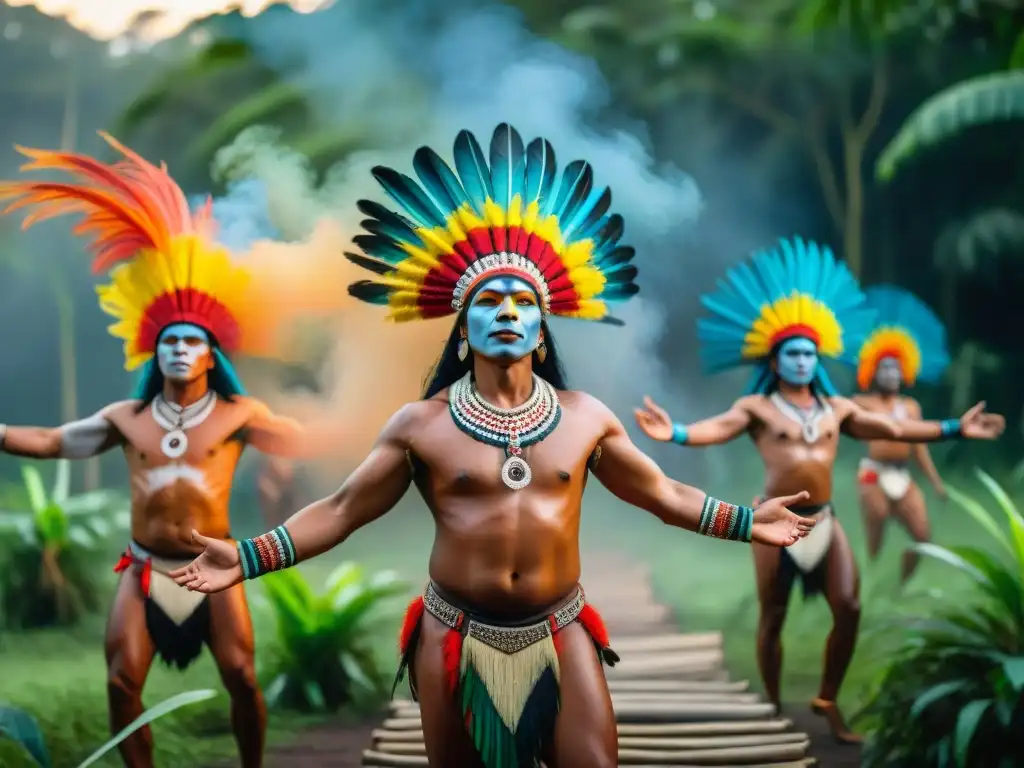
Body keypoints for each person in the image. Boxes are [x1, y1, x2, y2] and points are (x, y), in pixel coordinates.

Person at [171, 123, 816, 768]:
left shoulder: (585, 418)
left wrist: (747, 523)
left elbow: (662, 492)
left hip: (560, 630)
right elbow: (342, 510)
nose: (506, 310)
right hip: (453, 633)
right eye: (488, 301)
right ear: (461, 333)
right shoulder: (420, 425)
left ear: (540, 333)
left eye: (521, 302)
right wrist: (247, 558)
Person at [0, 134, 343, 768]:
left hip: (214, 567)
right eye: (169, 342)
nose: (179, 350)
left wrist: (359, 419)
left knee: (242, 676)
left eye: (192, 341)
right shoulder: (126, 419)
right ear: (153, 352)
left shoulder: (241, 415)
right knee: (119, 682)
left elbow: (306, 438)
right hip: (144, 569)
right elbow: (51, 443)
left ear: (213, 354)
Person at [633, 237, 1005, 744]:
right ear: (776, 360)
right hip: (770, 520)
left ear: (818, 358)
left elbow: (893, 431)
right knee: (774, 616)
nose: (803, 360)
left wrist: (954, 428)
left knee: (849, 607)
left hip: (824, 520)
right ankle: (770, 705)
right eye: (793, 353)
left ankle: (827, 699)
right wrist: (673, 432)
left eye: (810, 352)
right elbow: (713, 429)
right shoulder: (757, 410)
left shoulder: (839, 410)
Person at [848, 285, 952, 584]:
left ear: (904, 371)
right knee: (876, 526)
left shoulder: (911, 406)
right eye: (884, 369)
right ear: (873, 372)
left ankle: (900, 586)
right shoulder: (862, 403)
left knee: (923, 535)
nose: (890, 375)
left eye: (895, 369)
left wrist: (935, 483)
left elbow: (919, 447)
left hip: (902, 476)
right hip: (872, 474)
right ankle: (868, 580)